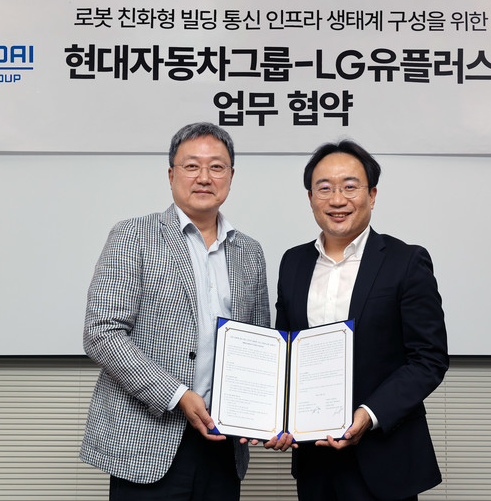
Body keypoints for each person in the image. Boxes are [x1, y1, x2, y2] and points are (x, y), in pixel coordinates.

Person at [80, 122, 270, 501]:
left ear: (231, 176)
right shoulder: (133, 235)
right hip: (146, 439)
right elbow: (101, 332)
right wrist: (178, 394)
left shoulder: (249, 252)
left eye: (217, 167)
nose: (204, 177)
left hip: (223, 444)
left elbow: (259, 344)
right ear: (171, 175)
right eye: (191, 166)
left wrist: (264, 414)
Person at [274, 140, 449, 501]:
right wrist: (277, 417)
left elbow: (428, 359)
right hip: (314, 461)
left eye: (350, 187)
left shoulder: (406, 261)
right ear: (310, 198)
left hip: (385, 459)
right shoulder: (293, 263)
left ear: (372, 195)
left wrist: (369, 414)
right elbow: (285, 353)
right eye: (325, 188)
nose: (337, 200)